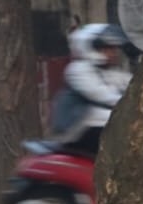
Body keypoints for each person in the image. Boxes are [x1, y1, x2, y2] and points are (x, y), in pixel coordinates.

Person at [55, 23, 132, 156]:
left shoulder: (111, 71)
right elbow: (105, 96)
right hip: (78, 130)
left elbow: (134, 84)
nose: (113, 53)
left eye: (114, 49)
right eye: (107, 48)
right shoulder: (78, 69)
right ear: (90, 47)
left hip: (99, 128)